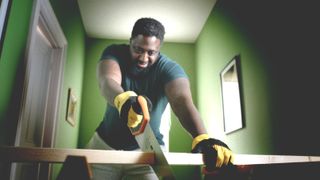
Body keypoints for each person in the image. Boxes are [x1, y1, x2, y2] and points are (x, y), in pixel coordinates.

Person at [86, 17, 234, 180]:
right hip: (104, 146)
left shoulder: (169, 68)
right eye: (138, 50)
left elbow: (182, 102)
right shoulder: (114, 52)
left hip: (147, 152)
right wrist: (123, 100)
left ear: (159, 49)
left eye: (151, 52)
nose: (144, 58)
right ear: (130, 42)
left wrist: (202, 137)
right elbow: (107, 81)